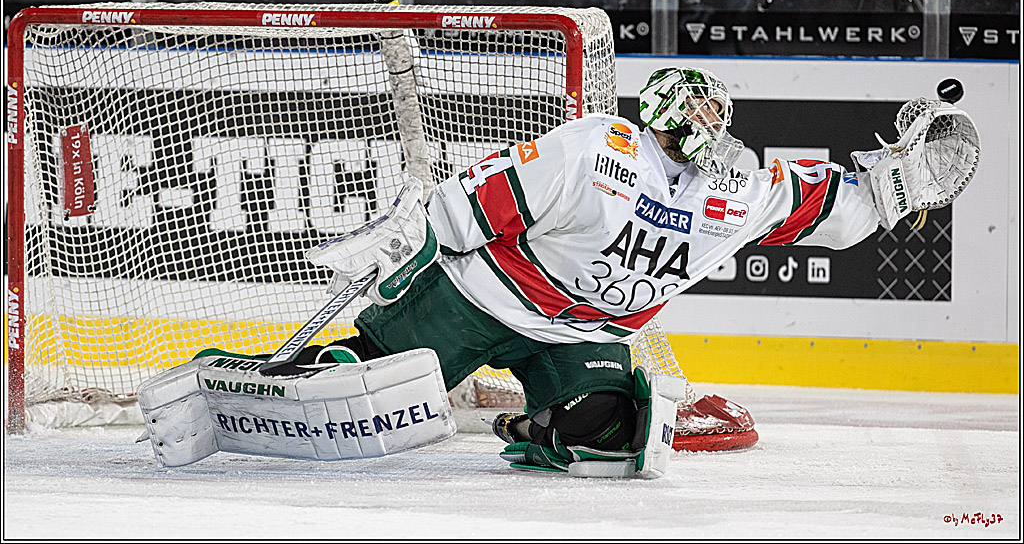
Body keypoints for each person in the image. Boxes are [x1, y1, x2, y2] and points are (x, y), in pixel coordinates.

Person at [276, 66, 887, 472]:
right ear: (664, 110)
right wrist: (412, 239)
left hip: (580, 334)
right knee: (370, 395)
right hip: (482, 296)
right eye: (697, 108)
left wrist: (896, 186)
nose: (710, 122)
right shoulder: (599, 145)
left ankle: (531, 428)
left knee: (606, 437)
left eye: (716, 112)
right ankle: (291, 378)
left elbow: (821, 202)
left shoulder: (733, 195)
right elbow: (488, 193)